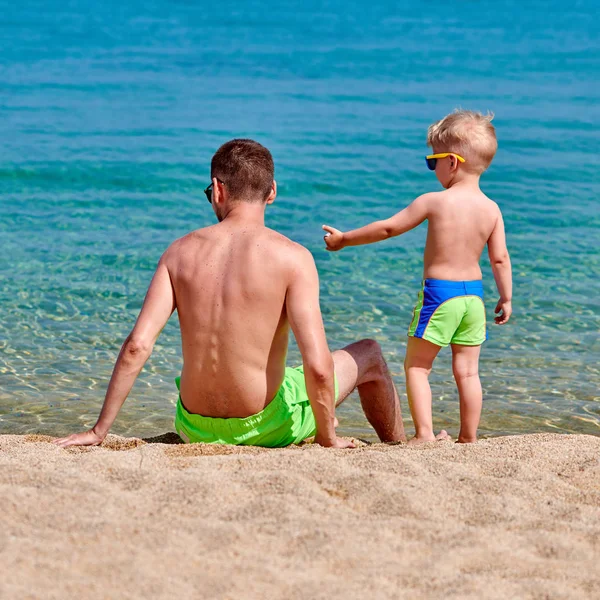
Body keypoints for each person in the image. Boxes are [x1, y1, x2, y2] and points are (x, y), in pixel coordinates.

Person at [54, 139, 405, 449]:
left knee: (291, 377)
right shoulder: (292, 258)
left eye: (210, 193)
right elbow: (318, 366)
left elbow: (136, 347)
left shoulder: (178, 252)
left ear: (218, 190)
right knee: (369, 353)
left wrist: (100, 430)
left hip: (193, 427)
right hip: (266, 427)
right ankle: (399, 446)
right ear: (272, 192)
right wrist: (327, 437)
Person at [322, 110, 512, 444]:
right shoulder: (492, 208)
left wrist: (344, 239)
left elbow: (388, 228)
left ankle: (424, 434)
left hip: (441, 295)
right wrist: (506, 297)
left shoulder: (434, 202)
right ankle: (469, 437)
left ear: (452, 162)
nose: (432, 167)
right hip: (474, 298)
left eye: (432, 161)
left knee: (417, 367)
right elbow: (499, 258)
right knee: (468, 372)